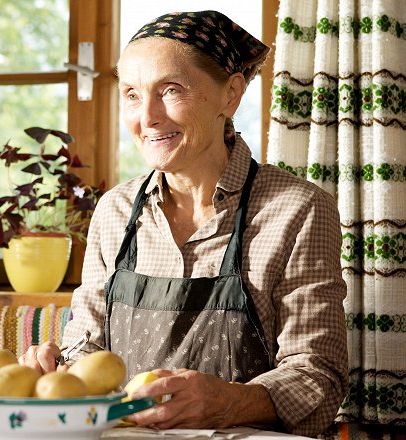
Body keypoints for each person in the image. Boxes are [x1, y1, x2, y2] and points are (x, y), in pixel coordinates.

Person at [19, 10, 348, 437]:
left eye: (170, 90)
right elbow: (89, 347)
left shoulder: (299, 210)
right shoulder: (115, 212)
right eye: (132, 95)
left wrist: (227, 403)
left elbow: (317, 377)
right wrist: (56, 369)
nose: (148, 117)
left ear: (230, 94)